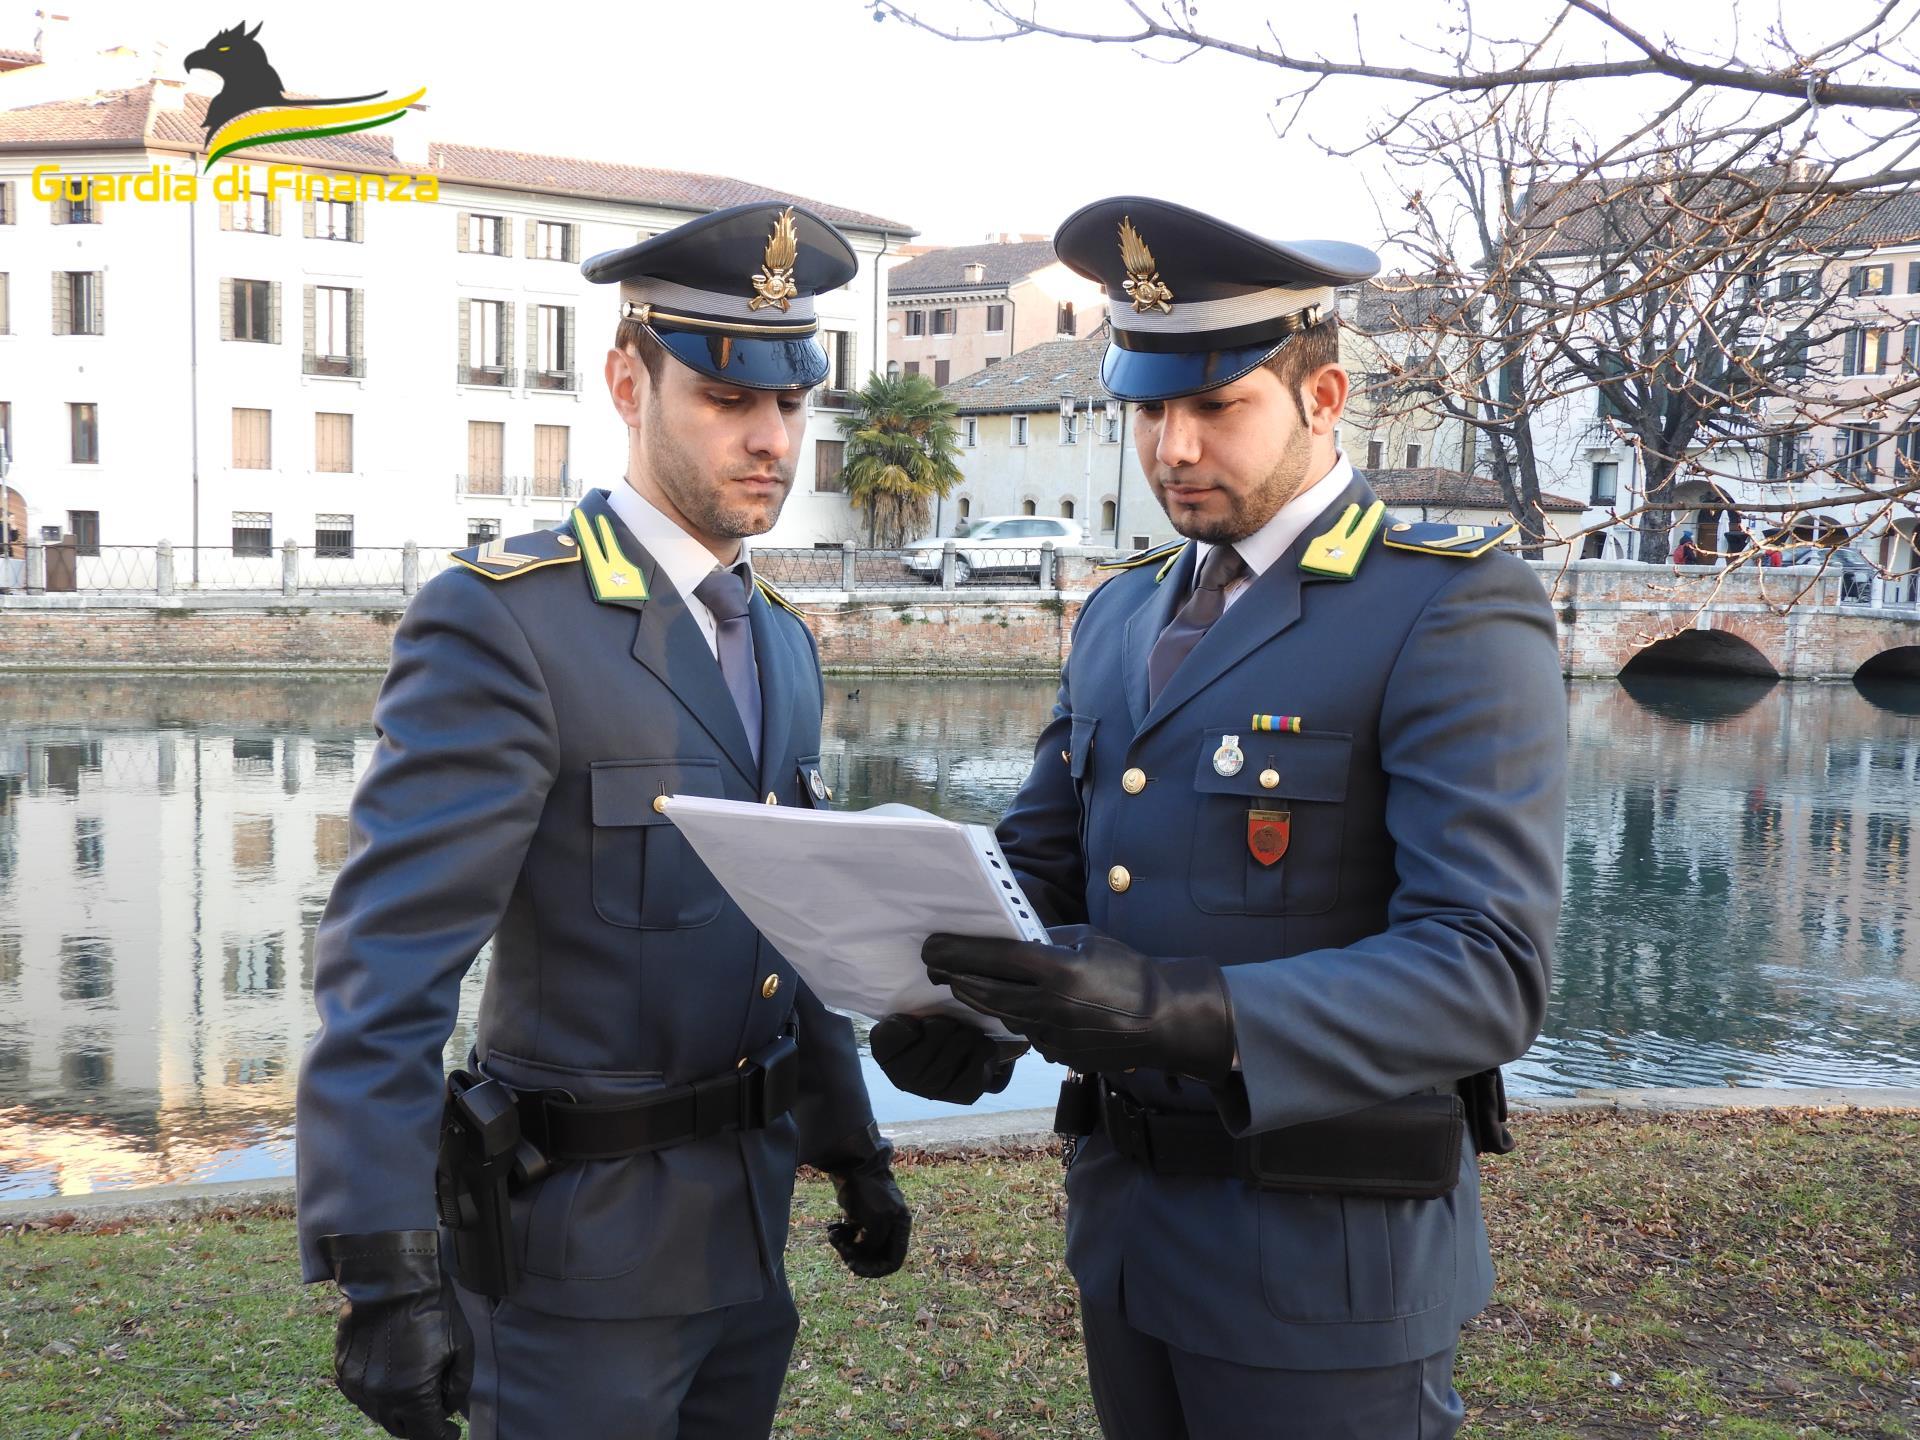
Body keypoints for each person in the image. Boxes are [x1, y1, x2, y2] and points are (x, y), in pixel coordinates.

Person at [874, 196, 1567, 1440]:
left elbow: (1487, 971)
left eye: (1217, 406)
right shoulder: (1121, 615)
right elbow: (1044, 872)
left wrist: (1174, 1010)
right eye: (1148, 411)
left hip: (1327, 1259)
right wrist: (967, 1011)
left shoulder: (1446, 608)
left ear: (1324, 397)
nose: (1174, 448)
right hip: (1130, 1235)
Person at [295, 201, 911, 1440]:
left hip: (745, 1241)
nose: (771, 438)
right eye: (727, 399)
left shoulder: (780, 643)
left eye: (791, 402)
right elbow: (389, 965)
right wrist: (381, 1265)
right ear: (629, 383)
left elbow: (785, 931)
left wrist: (852, 1148)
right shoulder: (508, 623)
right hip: (574, 1263)